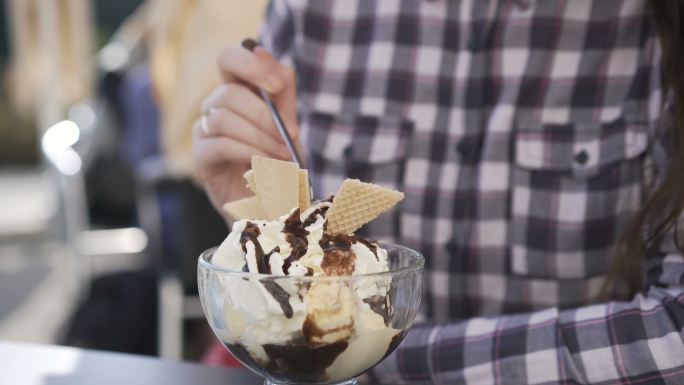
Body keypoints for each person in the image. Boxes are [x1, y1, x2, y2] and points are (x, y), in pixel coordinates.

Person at [193, 1, 684, 383]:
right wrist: (258, 219)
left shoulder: (658, 33)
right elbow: (296, 252)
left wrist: (374, 359)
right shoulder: (312, 11)